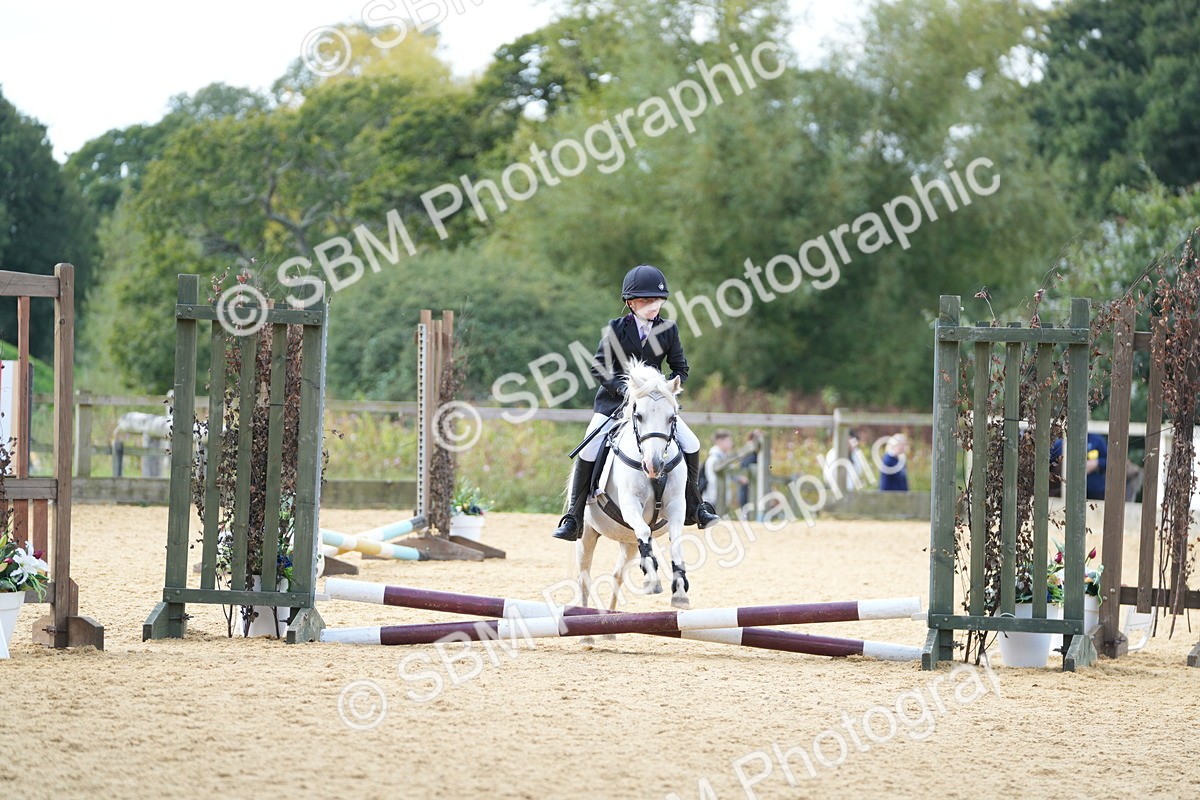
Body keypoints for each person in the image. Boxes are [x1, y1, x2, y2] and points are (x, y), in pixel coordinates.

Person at [551, 264, 720, 540]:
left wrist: (669, 388)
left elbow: (681, 367)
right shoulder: (616, 328)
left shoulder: (668, 329)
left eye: (658, 300)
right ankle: (573, 516)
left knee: (692, 443)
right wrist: (623, 390)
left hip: (654, 407)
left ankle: (696, 506)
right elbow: (599, 368)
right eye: (647, 300)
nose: (655, 305)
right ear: (631, 303)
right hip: (614, 405)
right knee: (588, 450)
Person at [1049, 433, 1107, 500]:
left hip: (1095, 491)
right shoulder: (1061, 443)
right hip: (1067, 490)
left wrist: (1097, 462)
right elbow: (1049, 462)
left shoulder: (1097, 440)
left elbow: (1109, 460)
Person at [703, 430, 735, 507]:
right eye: (728, 440)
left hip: (721, 498)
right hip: (712, 499)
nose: (731, 443)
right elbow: (712, 480)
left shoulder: (725, 457)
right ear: (719, 441)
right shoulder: (713, 459)